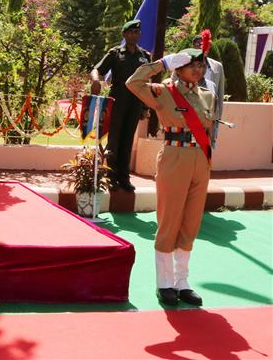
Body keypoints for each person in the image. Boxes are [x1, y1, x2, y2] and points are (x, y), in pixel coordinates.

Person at [126, 48, 216, 307]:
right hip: (174, 158)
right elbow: (133, 83)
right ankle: (164, 283)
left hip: (200, 159)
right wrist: (162, 63)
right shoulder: (164, 92)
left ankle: (182, 282)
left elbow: (208, 130)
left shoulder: (207, 95)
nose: (198, 70)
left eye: (201, 65)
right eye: (191, 65)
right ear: (179, 67)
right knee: (170, 220)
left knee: (190, 222)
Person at [90, 19, 151, 192]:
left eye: (137, 32)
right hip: (117, 102)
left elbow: (148, 83)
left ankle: (124, 177)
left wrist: (146, 107)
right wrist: (96, 80)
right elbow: (97, 70)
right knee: (114, 140)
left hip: (135, 103)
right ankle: (111, 177)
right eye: (131, 32)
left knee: (127, 140)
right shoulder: (116, 53)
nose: (134, 35)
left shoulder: (145, 56)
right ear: (124, 34)